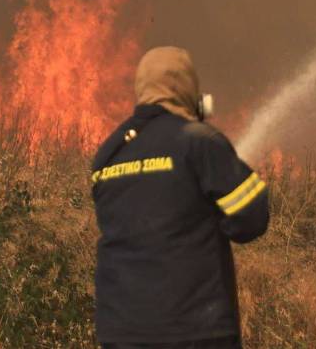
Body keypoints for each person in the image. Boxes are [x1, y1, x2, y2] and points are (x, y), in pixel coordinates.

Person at [91, 46, 269, 349]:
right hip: (192, 331)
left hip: (120, 333)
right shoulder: (198, 142)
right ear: (187, 88)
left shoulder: (109, 154)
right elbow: (251, 220)